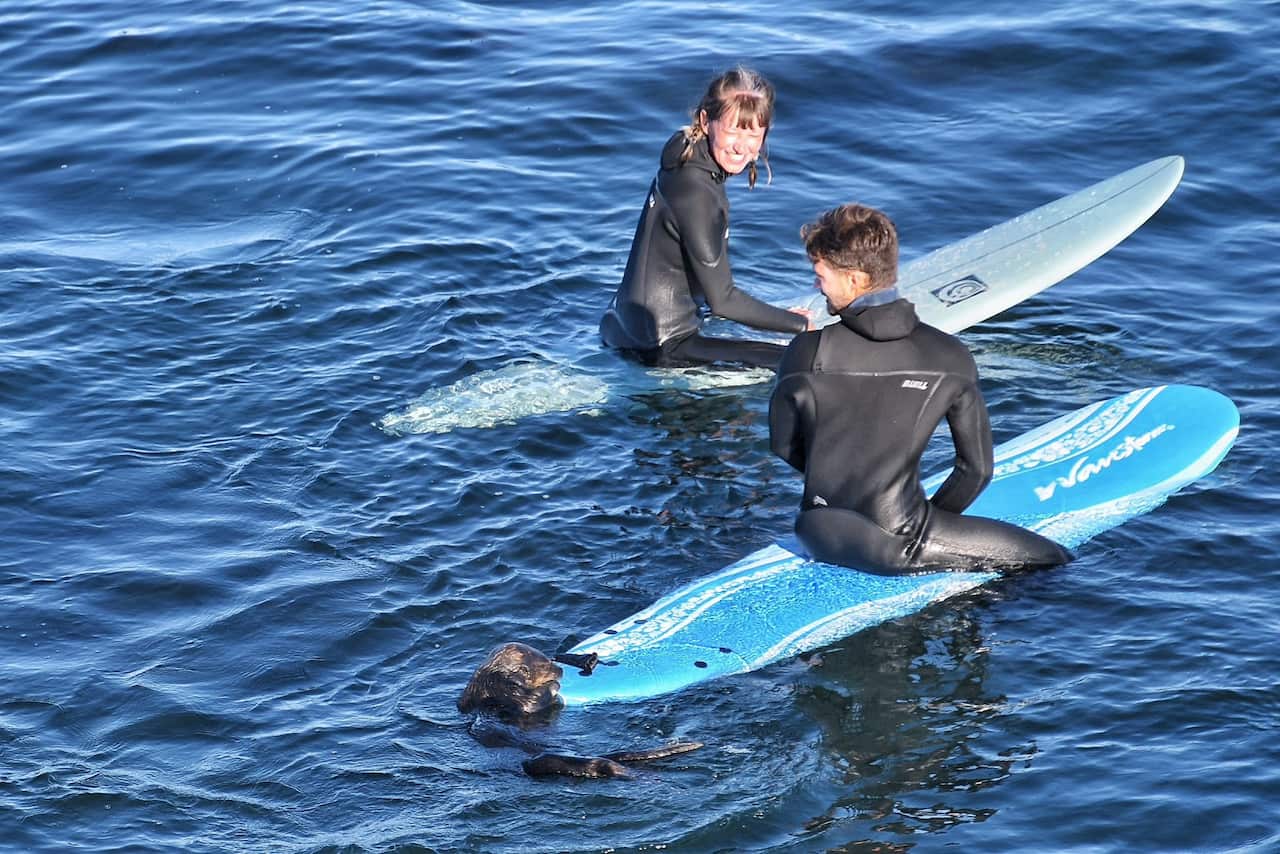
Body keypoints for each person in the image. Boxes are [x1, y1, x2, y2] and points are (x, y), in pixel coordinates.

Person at [769, 203, 1072, 575]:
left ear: (853, 279)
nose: (817, 286)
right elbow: (976, 470)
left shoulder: (806, 350)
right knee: (1055, 559)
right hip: (898, 542)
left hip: (814, 531)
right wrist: (931, 528)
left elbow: (783, 445)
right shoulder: (948, 356)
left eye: (821, 275)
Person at [599, 66, 810, 370]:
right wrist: (796, 324)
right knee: (803, 362)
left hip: (623, 325)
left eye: (752, 133)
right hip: (659, 346)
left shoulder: (685, 153)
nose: (741, 146)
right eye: (733, 130)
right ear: (705, 121)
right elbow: (723, 300)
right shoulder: (696, 194)